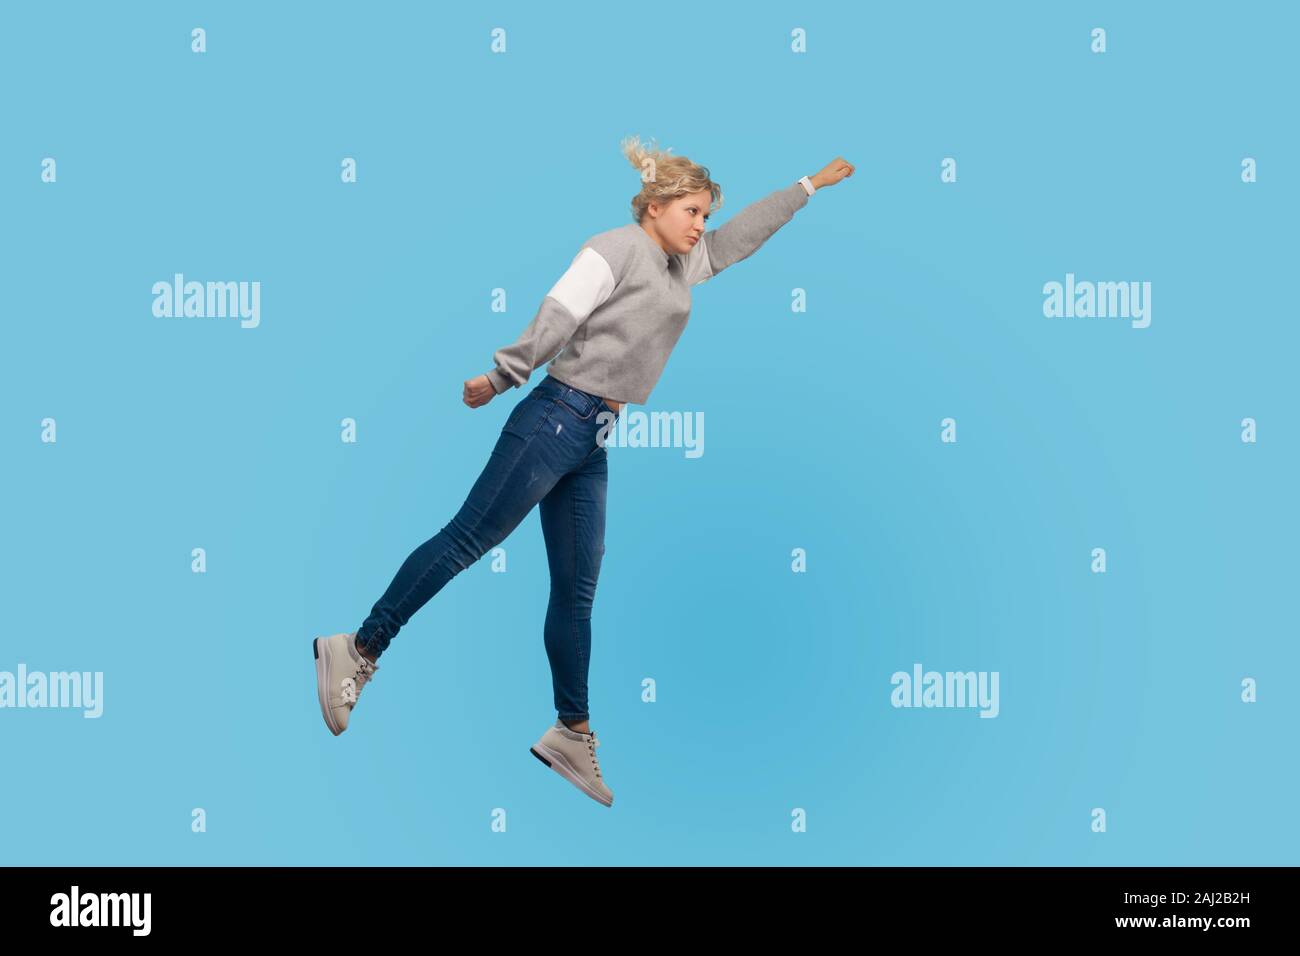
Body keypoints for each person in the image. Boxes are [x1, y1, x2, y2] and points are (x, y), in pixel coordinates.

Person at [314, 135, 854, 807]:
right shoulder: (614, 249)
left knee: (576, 590)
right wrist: (503, 373)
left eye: (705, 215)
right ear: (655, 205)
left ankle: (572, 730)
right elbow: (560, 313)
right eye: (692, 211)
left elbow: (739, 240)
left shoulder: (680, 264)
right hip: (555, 418)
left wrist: (805, 188)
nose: (701, 226)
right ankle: (359, 647)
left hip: (592, 437)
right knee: (466, 540)